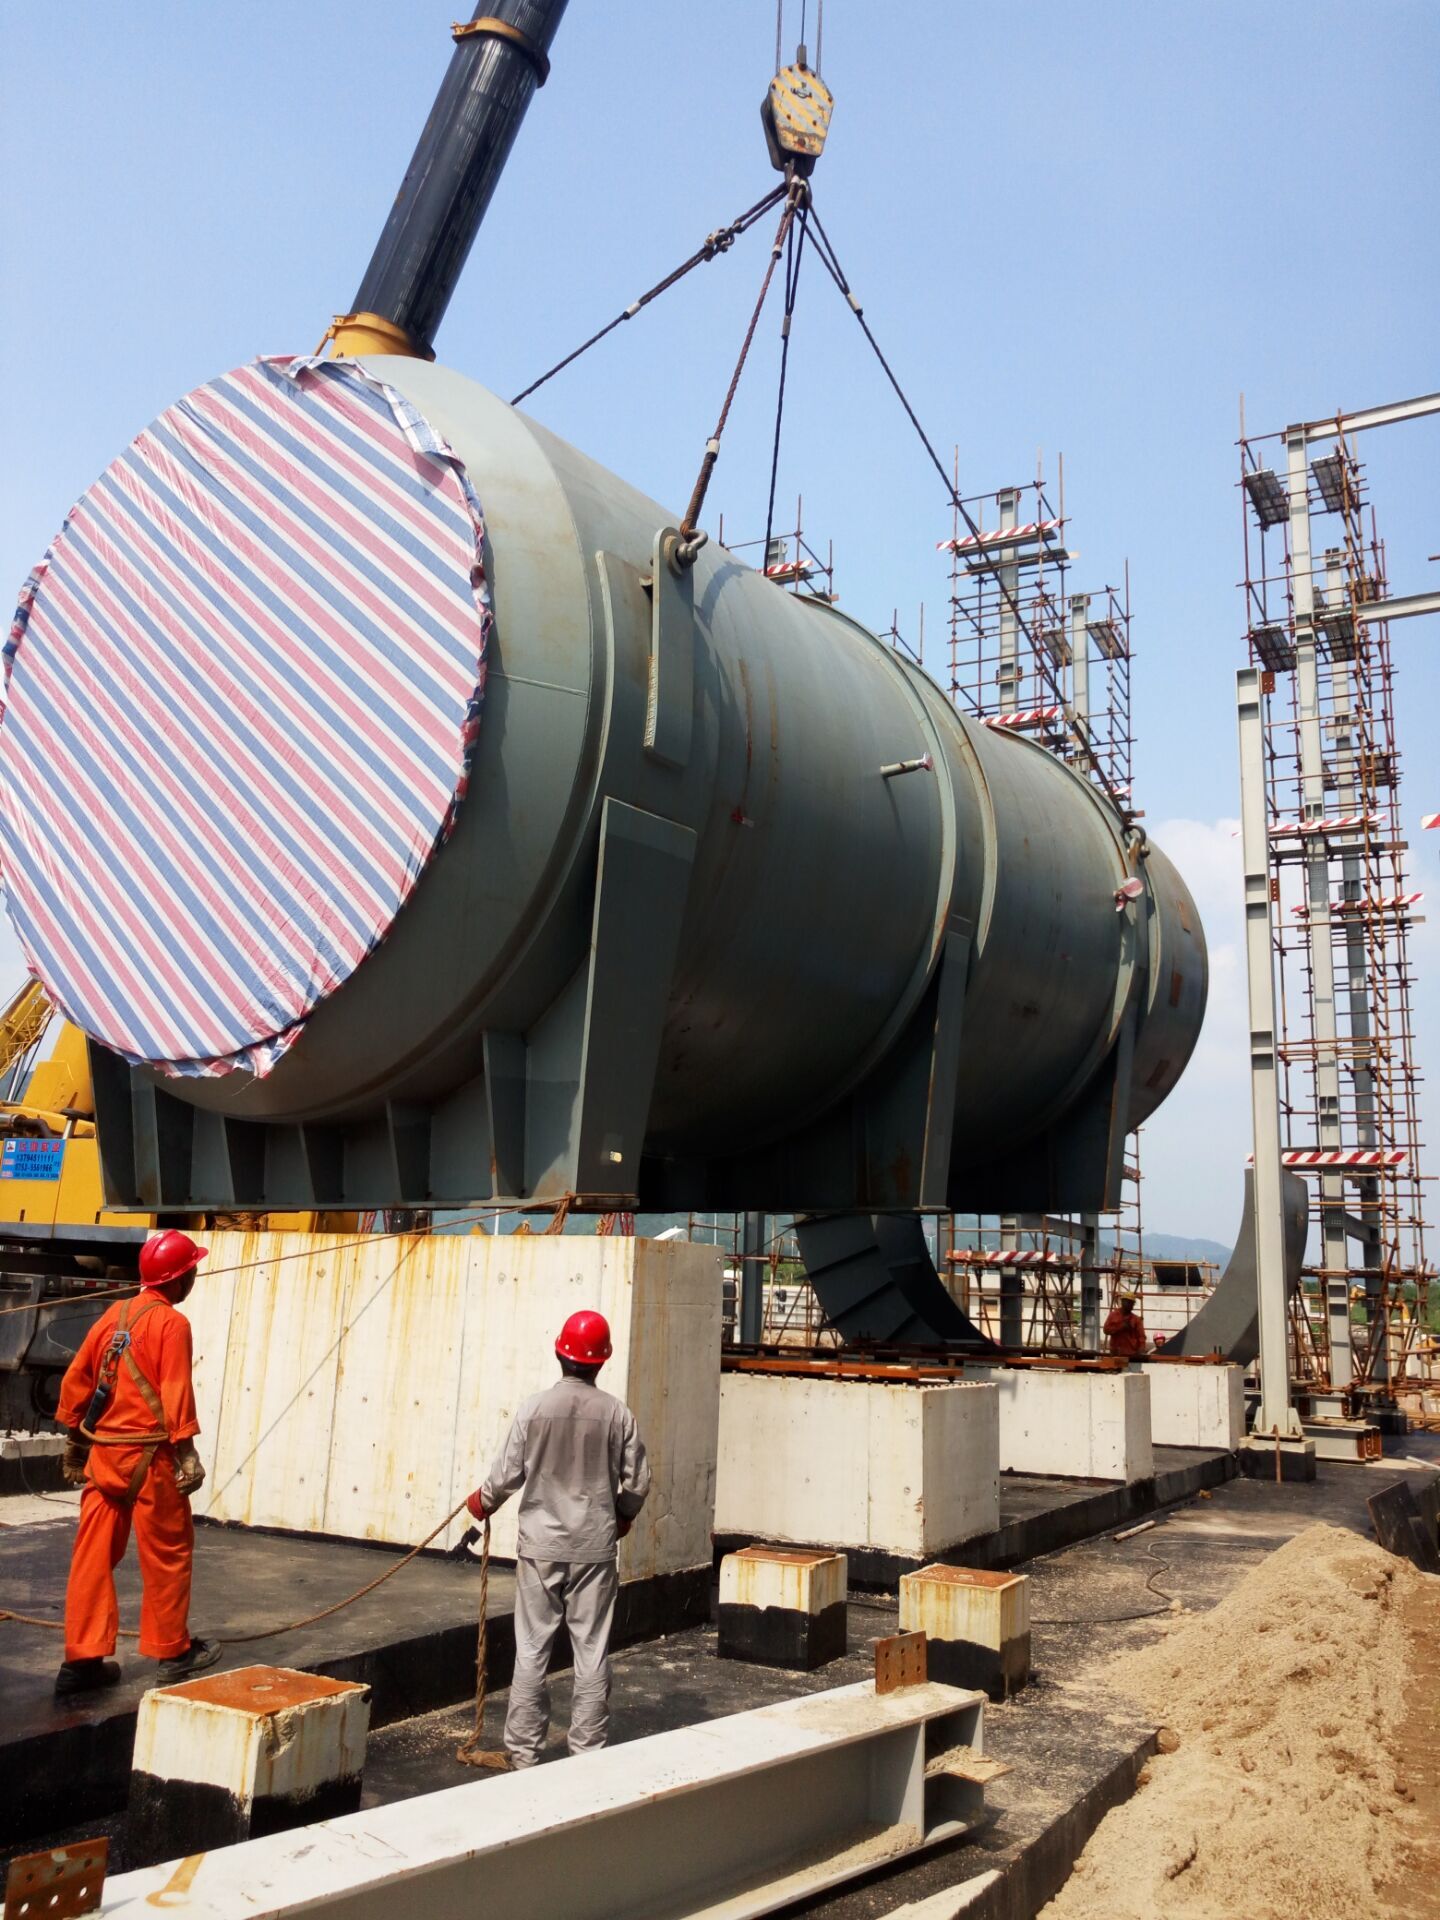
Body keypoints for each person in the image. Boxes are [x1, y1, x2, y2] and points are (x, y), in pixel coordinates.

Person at [467, 1308, 650, 1769]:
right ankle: (587, 1754)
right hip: (594, 1547)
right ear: (602, 1360)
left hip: (540, 1547)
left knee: (532, 1648)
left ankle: (523, 1754)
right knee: (591, 1649)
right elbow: (639, 1482)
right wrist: (623, 1516)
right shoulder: (617, 1413)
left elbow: (506, 1474)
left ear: (559, 1353)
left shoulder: (533, 1409)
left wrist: (482, 1502)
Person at [53, 1229, 221, 1697]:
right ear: (180, 1278)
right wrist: (187, 1454)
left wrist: (75, 1441)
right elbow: (175, 1390)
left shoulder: (114, 1315)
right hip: (151, 1460)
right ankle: (172, 1652)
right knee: (168, 1553)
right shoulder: (172, 1324)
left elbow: (78, 1380)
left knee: (91, 1557)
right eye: (191, 1271)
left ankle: (81, 1662)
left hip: (106, 1457)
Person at [1103, 1290, 1151, 1357]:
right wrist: (1120, 1327)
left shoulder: (1136, 1320)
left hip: (1131, 1354)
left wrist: (1141, 1350)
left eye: (1132, 1303)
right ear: (1123, 1302)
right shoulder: (1113, 1315)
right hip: (1116, 1353)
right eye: (1129, 1302)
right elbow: (1106, 1330)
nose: (1131, 1305)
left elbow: (1141, 1337)